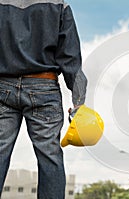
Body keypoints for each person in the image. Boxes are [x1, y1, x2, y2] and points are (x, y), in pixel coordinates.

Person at [0, 0, 87, 198]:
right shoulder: (58, 4)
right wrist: (79, 102)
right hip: (43, 88)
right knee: (50, 157)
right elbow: (71, 57)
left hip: (2, 88)